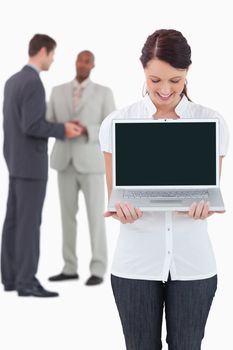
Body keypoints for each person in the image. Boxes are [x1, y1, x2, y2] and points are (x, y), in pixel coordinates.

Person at [99, 29, 229, 349]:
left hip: (194, 265)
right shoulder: (118, 122)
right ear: (143, 70)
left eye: (175, 79)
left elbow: (208, 192)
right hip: (134, 265)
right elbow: (114, 197)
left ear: (187, 72)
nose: (165, 89)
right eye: (155, 80)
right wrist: (122, 212)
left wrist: (203, 207)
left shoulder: (211, 121)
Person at [1, 34, 80, 297]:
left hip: (14, 160)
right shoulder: (33, 83)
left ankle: (10, 278)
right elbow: (31, 125)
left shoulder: (12, 81)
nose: (53, 60)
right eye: (53, 54)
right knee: (29, 224)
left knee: (13, 221)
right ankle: (26, 282)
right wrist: (63, 129)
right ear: (43, 51)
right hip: (31, 165)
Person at [47, 50, 115, 286]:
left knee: (96, 217)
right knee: (66, 218)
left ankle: (98, 267)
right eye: (79, 59)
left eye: (87, 61)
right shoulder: (57, 91)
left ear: (93, 65)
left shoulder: (104, 93)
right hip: (64, 160)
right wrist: (63, 126)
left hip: (92, 164)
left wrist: (87, 129)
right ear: (75, 62)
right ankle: (69, 267)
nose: (82, 64)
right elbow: (47, 123)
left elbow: (111, 127)